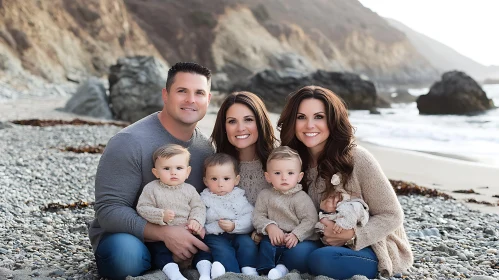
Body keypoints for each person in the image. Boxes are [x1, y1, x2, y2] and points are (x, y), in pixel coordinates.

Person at [89, 62, 214, 279]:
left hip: (183, 233)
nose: (191, 100)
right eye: (182, 91)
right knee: (124, 258)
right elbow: (109, 209)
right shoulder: (128, 142)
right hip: (131, 237)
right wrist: (165, 234)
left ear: (208, 100)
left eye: (199, 93)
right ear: (166, 95)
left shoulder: (205, 149)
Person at [277, 85, 413, 279]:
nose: (309, 125)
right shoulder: (294, 162)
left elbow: (392, 215)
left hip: (371, 245)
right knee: (292, 255)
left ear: (332, 121)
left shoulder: (357, 158)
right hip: (322, 241)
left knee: (322, 260)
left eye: (319, 117)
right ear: (292, 121)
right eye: (301, 117)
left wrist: (351, 234)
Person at [136, 144, 206, 280]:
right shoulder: (152, 188)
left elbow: (198, 207)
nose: (173, 172)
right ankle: (173, 274)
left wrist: (196, 220)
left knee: (204, 248)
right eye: (166, 168)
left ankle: (204, 272)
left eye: (179, 168)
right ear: (156, 172)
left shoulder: (190, 190)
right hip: (163, 236)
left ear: (187, 172)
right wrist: (160, 215)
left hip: (188, 232)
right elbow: (143, 207)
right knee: (158, 251)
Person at [252, 146, 319, 279]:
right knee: (266, 244)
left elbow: (311, 220)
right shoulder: (265, 195)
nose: (284, 178)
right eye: (277, 173)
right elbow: (258, 216)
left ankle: (282, 268)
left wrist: (296, 234)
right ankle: (265, 271)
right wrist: (270, 226)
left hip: (295, 238)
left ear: (299, 177)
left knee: (293, 252)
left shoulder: (301, 198)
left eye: (290, 173)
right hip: (274, 236)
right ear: (268, 176)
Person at [198, 153, 259, 278]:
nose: (220, 184)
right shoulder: (203, 198)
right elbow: (197, 214)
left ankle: (249, 270)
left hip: (237, 233)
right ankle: (232, 274)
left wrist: (234, 226)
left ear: (236, 180)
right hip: (214, 235)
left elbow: (250, 217)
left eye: (226, 179)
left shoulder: (238, 197)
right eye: (214, 179)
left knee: (247, 244)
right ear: (205, 181)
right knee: (223, 250)